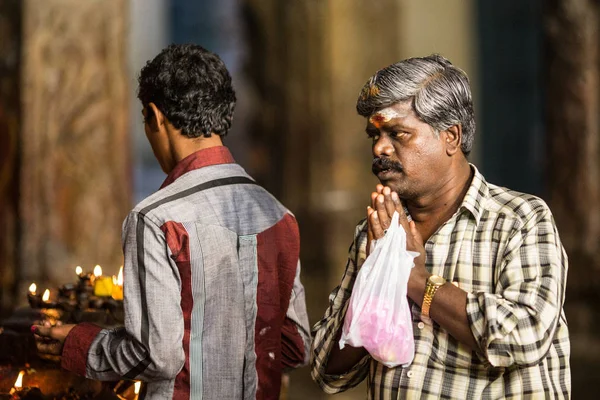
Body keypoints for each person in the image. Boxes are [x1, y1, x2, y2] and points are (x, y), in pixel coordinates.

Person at [34, 44, 311, 399]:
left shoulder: (156, 219)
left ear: (154, 116)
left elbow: (157, 355)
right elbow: (295, 345)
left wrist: (80, 343)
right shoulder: (279, 216)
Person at [310, 54, 570, 399]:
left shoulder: (520, 220)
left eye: (397, 133)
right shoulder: (379, 229)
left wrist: (415, 281)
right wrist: (378, 276)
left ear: (450, 136)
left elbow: (524, 336)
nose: (380, 147)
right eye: (374, 134)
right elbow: (327, 370)